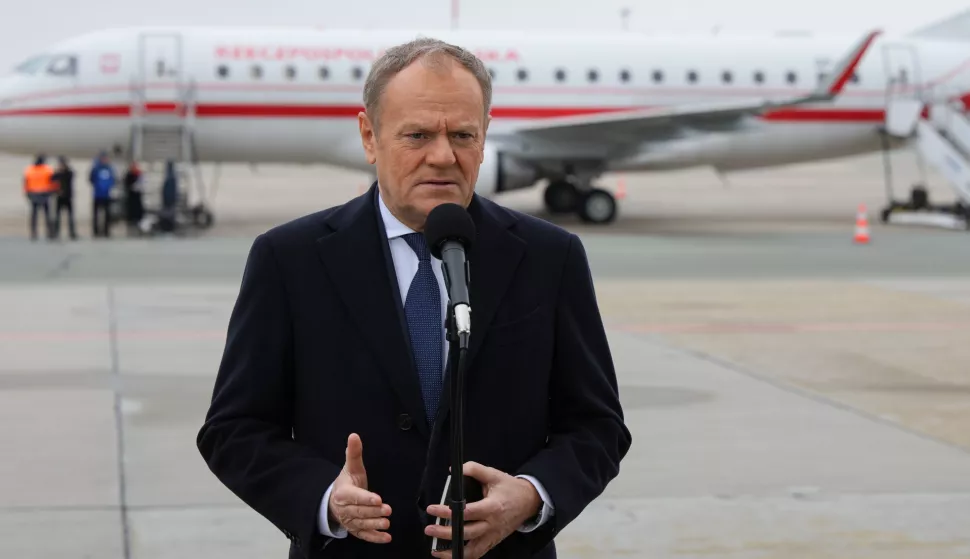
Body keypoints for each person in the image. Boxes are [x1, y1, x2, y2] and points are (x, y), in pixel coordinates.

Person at [197, 37, 631, 559]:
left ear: (485, 134)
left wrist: (533, 495)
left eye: (464, 135)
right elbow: (234, 430)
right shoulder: (289, 259)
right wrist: (323, 499)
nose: (443, 156)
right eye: (418, 135)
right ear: (369, 136)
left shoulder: (549, 256)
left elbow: (597, 426)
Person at [23, 154, 56, 241]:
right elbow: (53, 181)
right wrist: (52, 192)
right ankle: (49, 232)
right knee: (46, 214)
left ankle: (34, 232)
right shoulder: (47, 170)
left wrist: (27, 193)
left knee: (35, 215)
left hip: (35, 193)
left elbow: (25, 182)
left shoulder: (30, 169)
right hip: (44, 193)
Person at [89, 151, 116, 237]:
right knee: (96, 215)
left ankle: (106, 231)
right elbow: (91, 179)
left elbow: (113, 180)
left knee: (107, 214)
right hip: (97, 195)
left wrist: (108, 187)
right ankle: (96, 231)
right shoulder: (96, 168)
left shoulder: (110, 169)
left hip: (106, 195)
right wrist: (97, 186)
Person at [52, 156, 78, 240]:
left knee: (70, 216)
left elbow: (71, 175)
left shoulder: (68, 173)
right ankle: (56, 232)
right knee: (57, 216)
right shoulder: (57, 174)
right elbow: (52, 180)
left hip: (68, 197)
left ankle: (72, 232)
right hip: (59, 197)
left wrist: (64, 170)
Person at [122, 162, 144, 235]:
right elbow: (126, 184)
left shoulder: (139, 175)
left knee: (137, 210)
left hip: (137, 196)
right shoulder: (129, 175)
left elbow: (142, 184)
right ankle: (131, 223)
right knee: (131, 210)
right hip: (131, 196)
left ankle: (138, 222)